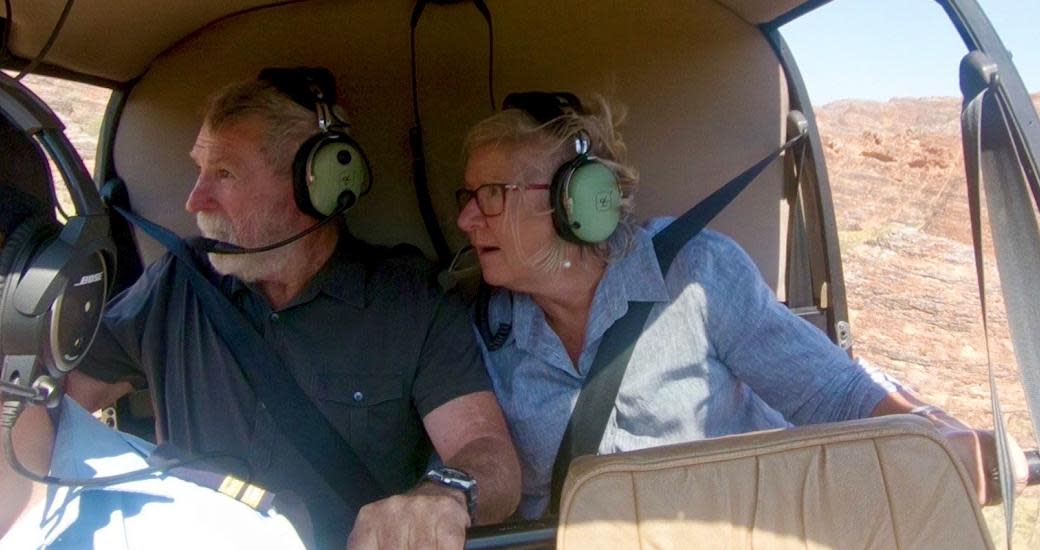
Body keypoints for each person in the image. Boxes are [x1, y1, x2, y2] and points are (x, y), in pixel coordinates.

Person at [0, 72, 521, 549]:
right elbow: (47, 399)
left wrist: (443, 496)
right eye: (198, 169)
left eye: (223, 173)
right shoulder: (178, 283)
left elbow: (488, 453)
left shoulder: (407, 302)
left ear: (316, 185)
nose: (194, 199)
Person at [454, 91, 1027, 520]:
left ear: (578, 201)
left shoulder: (697, 274)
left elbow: (833, 394)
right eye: (468, 198)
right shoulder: (481, 329)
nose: (466, 219)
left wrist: (929, 440)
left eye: (492, 195)